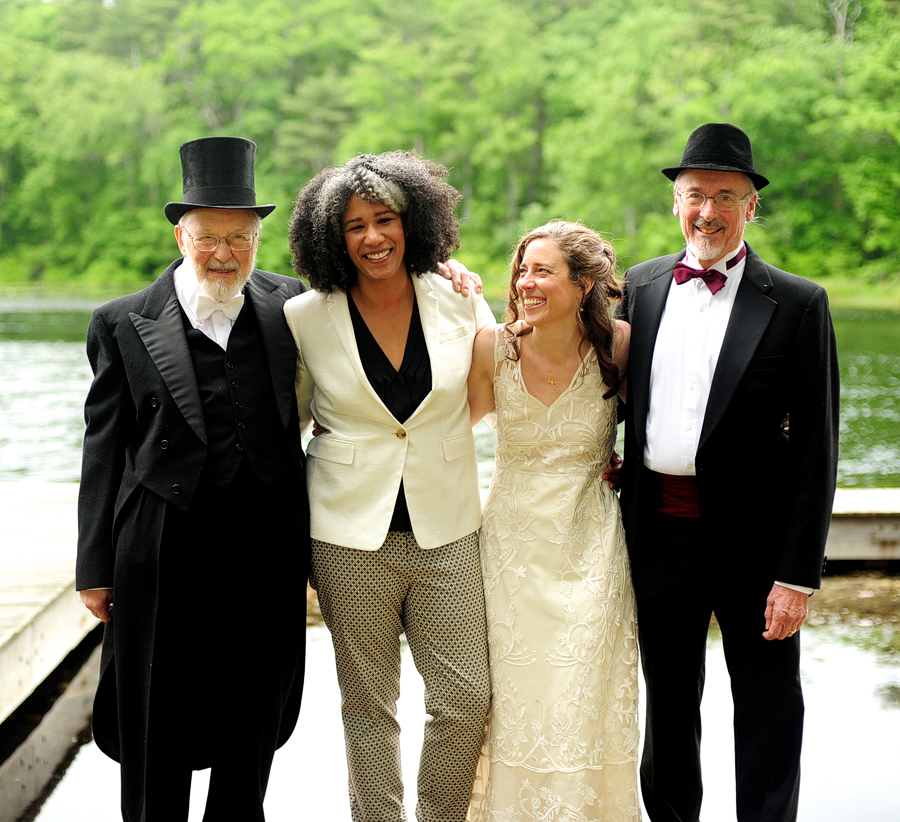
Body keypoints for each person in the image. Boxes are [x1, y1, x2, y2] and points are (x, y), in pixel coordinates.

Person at [76, 136, 309, 822]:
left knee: (252, 716)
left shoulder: (290, 305)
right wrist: (94, 567)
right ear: (182, 234)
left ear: (258, 238)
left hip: (264, 545)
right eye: (209, 237)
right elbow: (102, 450)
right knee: (157, 718)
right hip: (160, 546)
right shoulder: (120, 322)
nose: (225, 253)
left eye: (241, 237)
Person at [618, 123, 840, 822]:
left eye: (724, 196)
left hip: (757, 547)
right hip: (658, 537)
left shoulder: (800, 303)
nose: (706, 211)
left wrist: (797, 576)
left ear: (751, 208)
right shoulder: (642, 287)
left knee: (770, 710)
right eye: (693, 195)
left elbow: (817, 451)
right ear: (675, 203)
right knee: (669, 706)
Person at [282, 150, 494, 822]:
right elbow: (289, 419)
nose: (373, 237)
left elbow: (493, 391)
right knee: (369, 705)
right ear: (330, 238)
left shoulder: (459, 296)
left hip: (449, 529)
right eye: (354, 226)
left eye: (385, 219)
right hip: (347, 535)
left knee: (465, 698)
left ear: (415, 221)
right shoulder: (305, 316)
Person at [466, 220, 640, 822]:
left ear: (585, 282)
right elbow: (442, 425)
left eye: (543, 271)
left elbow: (662, 425)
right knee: (515, 702)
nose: (526, 283)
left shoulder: (618, 345)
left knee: (583, 694)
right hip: (511, 549)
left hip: (590, 545)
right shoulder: (491, 347)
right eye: (522, 270)